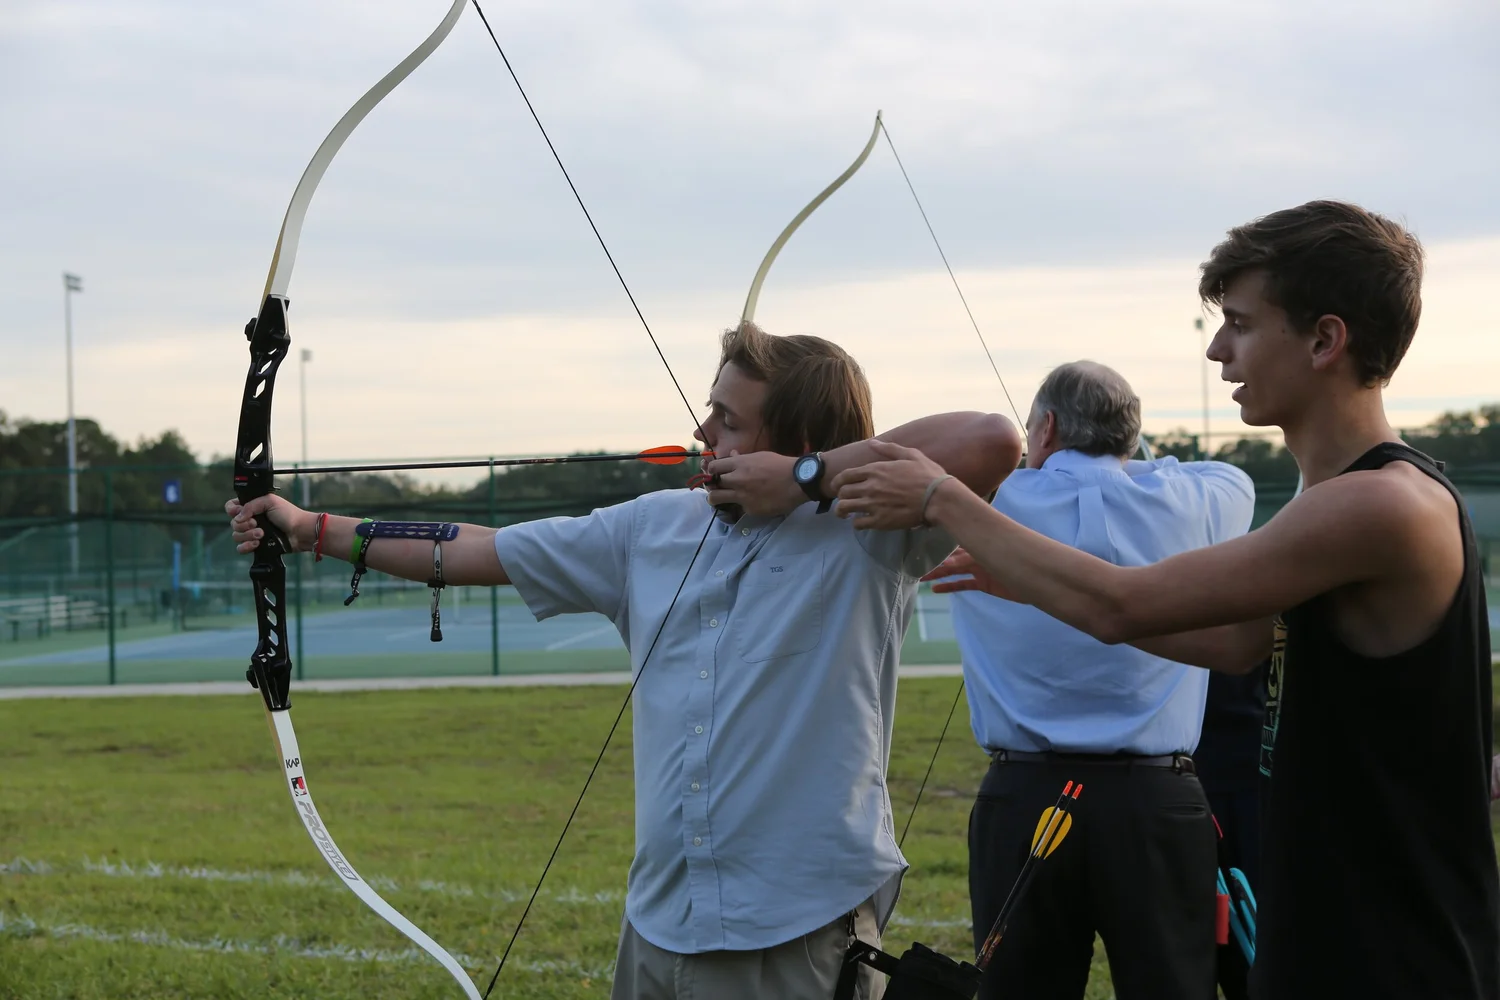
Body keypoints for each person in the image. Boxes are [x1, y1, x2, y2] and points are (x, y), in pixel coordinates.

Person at [824, 200, 1499, 1000]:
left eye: (1241, 325)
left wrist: (940, 494)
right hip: (1330, 921)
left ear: (1325, 339)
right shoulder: (1346, 499)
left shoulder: (1381, 504)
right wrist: (1033, 586)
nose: (1219, 351)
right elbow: (1235, 641)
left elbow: (1124, 605)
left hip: (1391, 943)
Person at [228, 321, 1021, 1000]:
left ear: (799, 443)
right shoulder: (654, 527)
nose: (704, 433)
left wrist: (809, 480)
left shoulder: (868, 528)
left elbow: (992, 439)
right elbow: (479, 548)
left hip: (795, 932)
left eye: (729, 420)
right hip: (659, 927)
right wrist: (314, 529)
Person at [949, 361, 1253, 1000]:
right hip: (1155, 801)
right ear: (1131, 437)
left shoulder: (985, 505)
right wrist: (1122, 459)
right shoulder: (1205, 497)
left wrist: (1042, 468)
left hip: (1025, 792)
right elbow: (1221, 476)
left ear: (1049, 427)